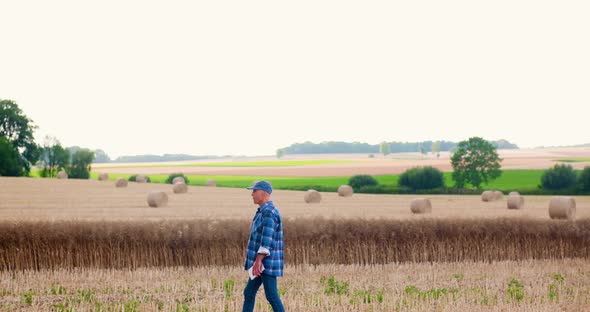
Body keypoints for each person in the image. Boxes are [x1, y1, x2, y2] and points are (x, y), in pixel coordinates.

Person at [242, 181, 285, 312]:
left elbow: (267, 240)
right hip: (260, 263)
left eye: (254, 191)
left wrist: (258, 261)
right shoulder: (263, 211)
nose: (252, 194)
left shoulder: (269, 213)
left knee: (271, 295)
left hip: (266, 262)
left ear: (263, 193)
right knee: (249, 292)